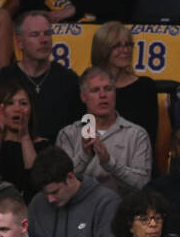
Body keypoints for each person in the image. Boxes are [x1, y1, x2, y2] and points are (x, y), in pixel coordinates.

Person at [0, 10, 83, 142]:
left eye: (47, 34)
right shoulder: (0, 80)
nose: (43, 40)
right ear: (20, 42)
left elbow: (80, 128)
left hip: (58, 157)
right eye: (35, 35)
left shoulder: (69, 80)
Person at [55, 67, 152, 197]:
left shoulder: (137, 135)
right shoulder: (68, 135)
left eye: (108, 89)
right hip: (79, 213)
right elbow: (58, 184)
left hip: (121, 212)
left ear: (115, 93)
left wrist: (109, 163)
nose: (103, 95)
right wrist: (84, 156)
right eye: (95, 90)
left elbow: (143, 184)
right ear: (83, 97)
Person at [27, 146, 120, 237]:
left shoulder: (106, 203)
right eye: (45, 194)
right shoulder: (37, 203)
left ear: (70, 177)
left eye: (55, 192)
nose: (50, 199)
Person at [91, 22, 159, 148]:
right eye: (117, 46)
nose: (125, 50)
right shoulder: (88, 86)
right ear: (102, 50)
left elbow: (149, 138)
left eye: (128, 44)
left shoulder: (145, 87)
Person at [0, 79, 49, 198]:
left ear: (31, 109)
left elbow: (38, 186)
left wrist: (24, 137)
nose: (17, 109)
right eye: (10, 103)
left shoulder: (44, 147)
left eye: (23, 103)